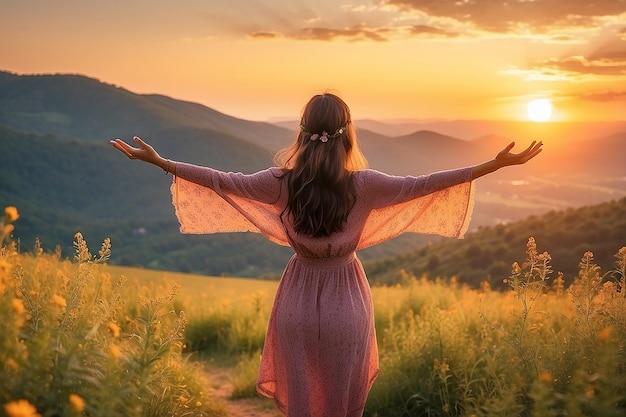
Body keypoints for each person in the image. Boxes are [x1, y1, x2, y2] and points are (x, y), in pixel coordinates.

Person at [110, 93, 542, 417]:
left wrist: (161, 162)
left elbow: (222, 180)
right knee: (341, 398)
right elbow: (426, 183)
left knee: (302, 398)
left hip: (296, 301)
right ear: (348, 132)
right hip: (347, 303)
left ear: (301, 130)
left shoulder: (280, 181)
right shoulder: (366, 184)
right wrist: (493, 165)